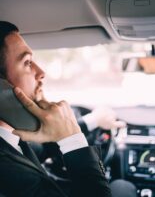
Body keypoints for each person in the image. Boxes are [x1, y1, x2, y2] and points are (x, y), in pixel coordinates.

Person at [0, 21, 137, 197]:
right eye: (27, 62)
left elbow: (44, 148)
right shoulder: (7, 176)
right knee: (123, 187)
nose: (41, 72)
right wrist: (72, 139)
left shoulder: (10, 139)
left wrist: (91, 121)